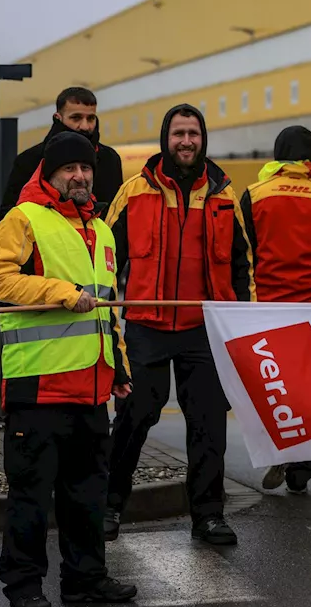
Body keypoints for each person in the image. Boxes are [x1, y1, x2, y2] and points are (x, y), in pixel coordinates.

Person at [0, 131, 137, 607]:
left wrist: (119, 368)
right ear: (49, 174)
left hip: (90, 390)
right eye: (69, 169)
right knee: (31, 496)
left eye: (86, 168)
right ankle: (24, 586)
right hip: (39, 387)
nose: (80, 176)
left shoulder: (103, 231)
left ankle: (85, 579)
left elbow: (108, 309)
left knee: (86, 494)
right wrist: (63, 292)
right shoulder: (24, 218)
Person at [103, 103, 254, 545]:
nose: (186, 141)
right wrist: (109, 327)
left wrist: (239, 325)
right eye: (178, 134)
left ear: (203, 139)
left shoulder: (224, 195)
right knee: (135, 415)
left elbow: (244, 267)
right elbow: (105, 262)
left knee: (208, 422)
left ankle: (208, 515)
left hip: (204, 329)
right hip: (147, 325)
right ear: (165, 139)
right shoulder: (134, 192)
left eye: (193, 133)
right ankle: (110, 507)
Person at [239, 125, 311, 495]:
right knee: (303, 388)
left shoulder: (254, 195)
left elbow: (242, 254)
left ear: (276, 153)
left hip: (266, 307)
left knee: (272, 385)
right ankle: (302, 464)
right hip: (310, 309)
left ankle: (277, 447)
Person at [0, 86, 124, 220]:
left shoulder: (110, 159)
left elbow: (117, 214)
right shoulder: (30, 160)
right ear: (58, 118)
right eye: (76, 118)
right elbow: (9, 216)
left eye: (91, 118)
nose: (84, 126)